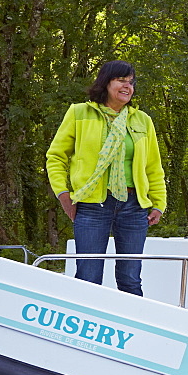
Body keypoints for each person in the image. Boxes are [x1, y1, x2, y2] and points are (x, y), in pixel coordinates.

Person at [46, 60, 167, 295]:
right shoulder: (79, 112)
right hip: (92, 205)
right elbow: (56, 156)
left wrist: (159, 204)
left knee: (130, 278)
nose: (128, 87)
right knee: (88, 277)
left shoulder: (142, 120)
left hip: (133, 206)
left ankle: (133, 329)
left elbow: (153, 166)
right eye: (121, 80)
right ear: (106, 82)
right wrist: (63, 194)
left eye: (131, 82)